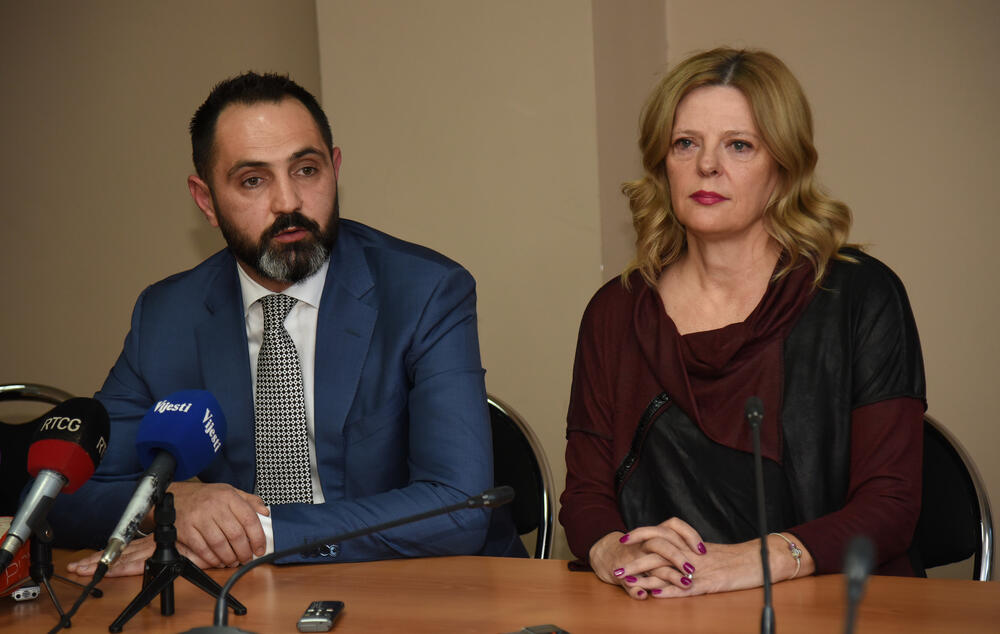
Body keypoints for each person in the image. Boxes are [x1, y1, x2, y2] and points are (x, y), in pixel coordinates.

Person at [49, 72, 524, 577]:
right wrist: (170, 509)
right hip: (246, 597)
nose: (288, 202)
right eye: (253, 180)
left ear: (335, 169)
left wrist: (254, 537)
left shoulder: (426, 292)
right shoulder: (167, 315)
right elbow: (68, 493)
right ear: (206, 200)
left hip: (422, 587)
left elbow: (459, 505)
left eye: (306, 170)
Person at [559, 48, 925, 599]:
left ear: (783, 168)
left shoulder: (860, 295)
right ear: (662, 163)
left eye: (739, 145)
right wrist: (613, 550)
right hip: (663, 607)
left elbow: (890, 506)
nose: (707, 166)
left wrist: (755, 561)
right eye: (686, 143)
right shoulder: (615, 311)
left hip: (835, 605)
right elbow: (586, 495)